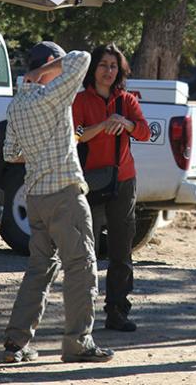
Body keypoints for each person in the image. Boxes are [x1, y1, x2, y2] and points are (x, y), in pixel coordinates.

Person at [2, 42, 114, 364]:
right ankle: (78, 342)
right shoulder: (51, 95)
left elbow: (10, 154)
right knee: (81, 267)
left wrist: (40, 157)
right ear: (51, 64)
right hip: (64, 195)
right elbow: (82, 58)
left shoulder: (17, 104)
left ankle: (16, 343)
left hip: (35, 197)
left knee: (39, 269)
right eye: (55, 64)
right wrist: (47, 70)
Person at [72, 43, 150, 332]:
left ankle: (117, 311)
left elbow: (143, 132)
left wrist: (126, 123)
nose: (108, 70)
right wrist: (103, 125)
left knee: (121, 249)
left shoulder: (127, 100)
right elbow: (75, 135)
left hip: (123, 181)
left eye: (113, 66)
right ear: (93, 69)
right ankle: (83, 314)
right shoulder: (80, 100)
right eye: (103, 65)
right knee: (86, 250)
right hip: (90, 182)